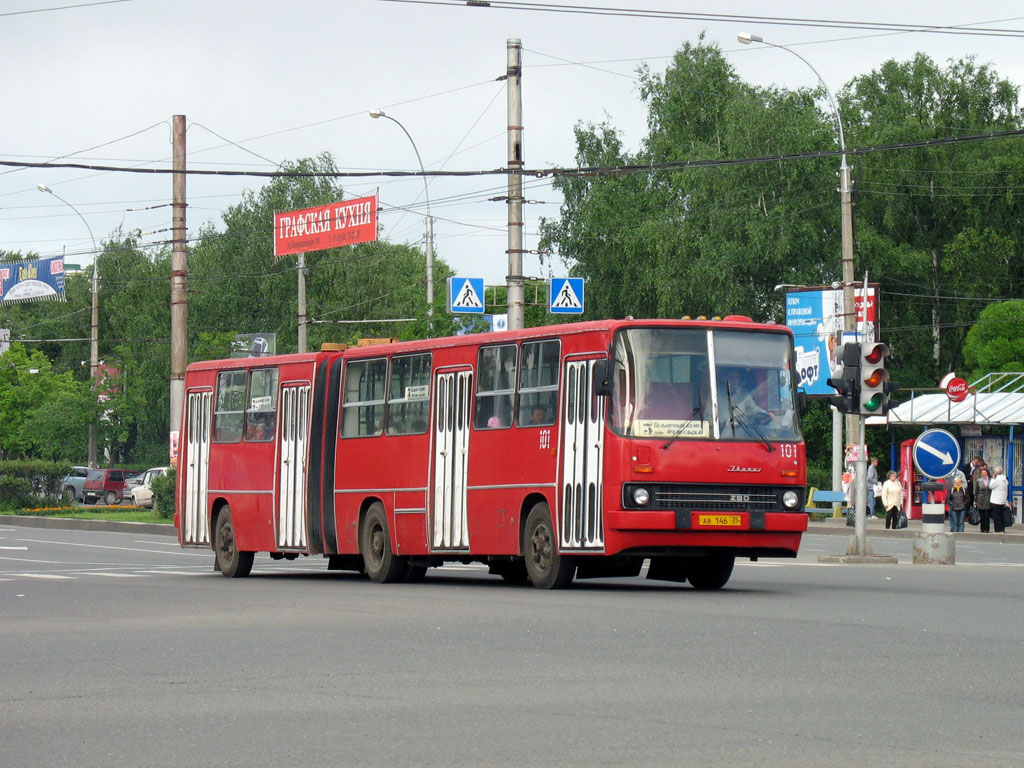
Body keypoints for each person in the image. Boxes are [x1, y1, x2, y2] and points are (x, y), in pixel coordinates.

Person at [988, 466, 1008, 534]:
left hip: (996, 500)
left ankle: (998, 529)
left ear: (996, 473)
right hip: (1002, 500)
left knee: (996, 516)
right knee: (1001, 515)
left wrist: (993, 478)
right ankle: (1002, 529)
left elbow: (990, 486)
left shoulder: (997, 480)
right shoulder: (1005, 480)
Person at [974, 466, 993, 533]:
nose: (983, 475)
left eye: (985, 473)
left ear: (987, 473)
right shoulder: (979, 481)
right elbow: (976, 491)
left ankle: (987, 529)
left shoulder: (991, 480)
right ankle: (982, 529)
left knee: (987, 515)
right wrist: (975, 501)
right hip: (980, 499)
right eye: (982, 474)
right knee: (982, 515)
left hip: (989, 499)